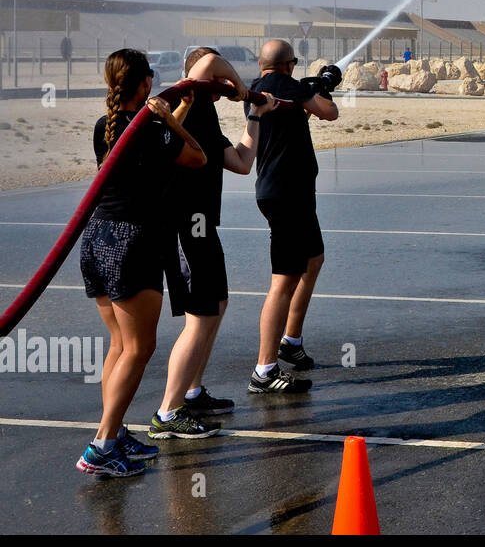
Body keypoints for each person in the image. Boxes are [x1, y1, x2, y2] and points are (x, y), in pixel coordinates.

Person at [77, 50, 207, 476]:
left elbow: (154, 150)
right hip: (133, 242)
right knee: (140, 348)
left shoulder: (106, 126)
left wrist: (178, 111)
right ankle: (101, 446)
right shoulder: (153, 129)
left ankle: (111, 435)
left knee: (120, 346)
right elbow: (196, 157)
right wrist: (171, 119)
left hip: (97, 239)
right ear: (147, 85)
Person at [150, 48, 275, 439]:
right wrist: (241, 87)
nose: (222, 80)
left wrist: (254, 114)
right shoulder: (194, 93)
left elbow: (241, 162)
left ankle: (192, 391)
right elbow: (205, 62)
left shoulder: (204, 114)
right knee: (201, 315)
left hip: (205, 225)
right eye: (218, 78)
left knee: (217, 304)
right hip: (187, 225)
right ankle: (168, 413)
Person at [246, 40, 339, 393]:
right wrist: (322, 88)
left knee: (313, 259)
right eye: (294, 63)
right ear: (287, 65)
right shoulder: (286, 86)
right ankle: (264, 370)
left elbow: (300, 111)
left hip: (289, 193)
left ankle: (292, 341)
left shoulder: (257, 88)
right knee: (283, 282)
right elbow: (329, 113)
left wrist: (312, 88)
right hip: (286, 196)